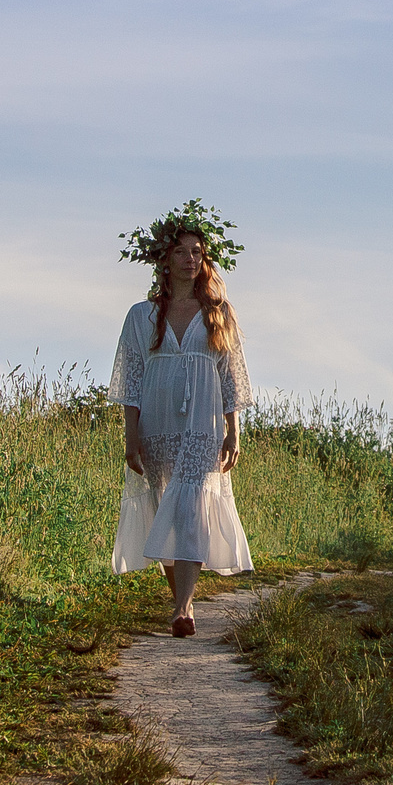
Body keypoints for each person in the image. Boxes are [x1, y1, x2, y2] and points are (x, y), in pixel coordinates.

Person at [109, 203, 254, 635]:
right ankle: (179, 599)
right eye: (181, 252)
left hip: (204, 422)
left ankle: (184, 608)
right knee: (163, 507)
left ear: (204, 260)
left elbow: (231, 375)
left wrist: (234, 432)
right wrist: (130, 436)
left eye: (197, 252)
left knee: (190, 505)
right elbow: (131, 378)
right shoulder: (141, 315)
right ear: (164, 260)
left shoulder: (219, 312)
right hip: (156, 421)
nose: (190, 259)